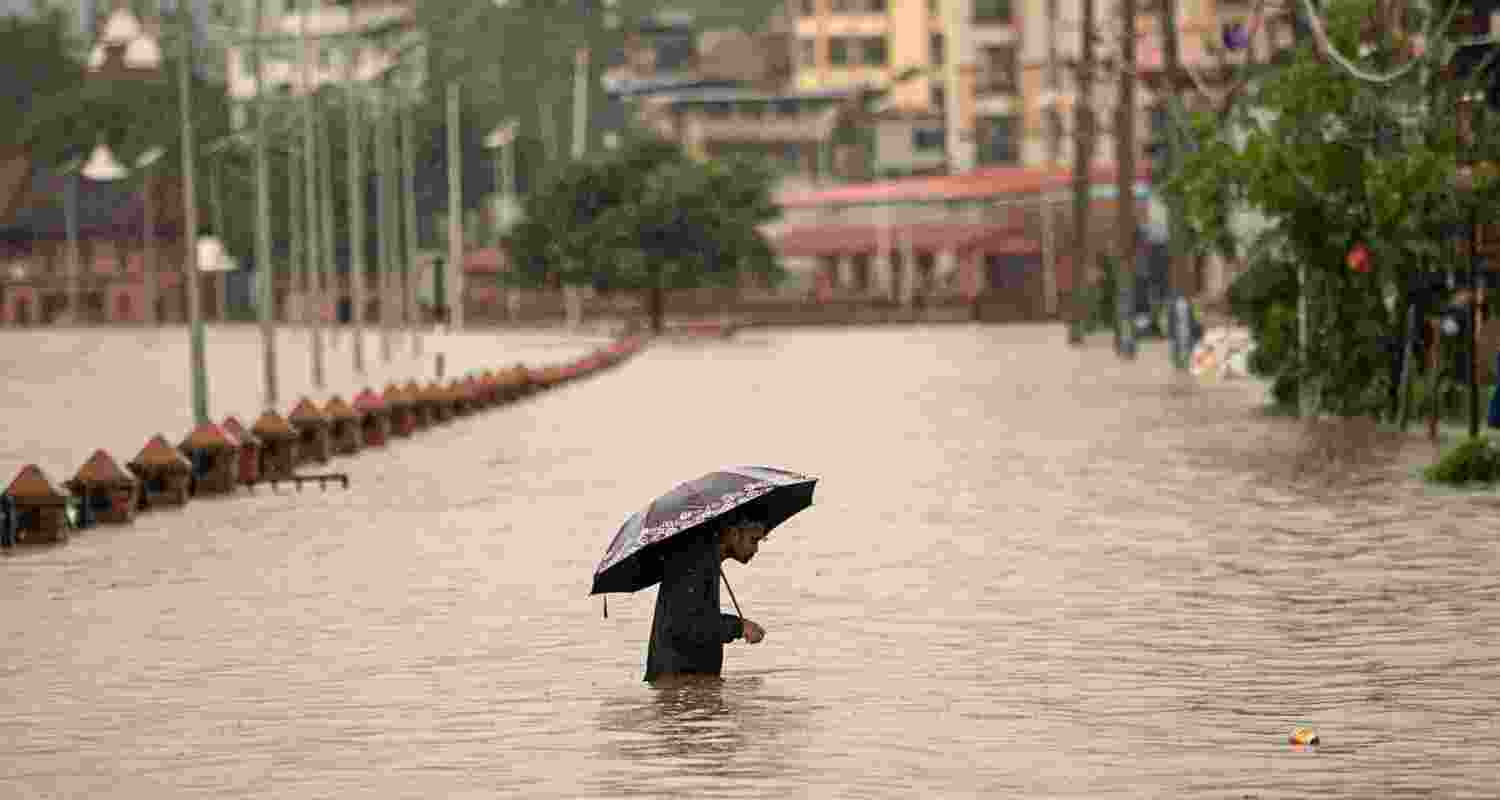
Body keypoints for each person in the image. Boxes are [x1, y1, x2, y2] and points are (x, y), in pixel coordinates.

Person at [643, 510, 769, 683]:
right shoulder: (695, 562)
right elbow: (685, 627)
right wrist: (739, 627)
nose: (755, 549)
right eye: (753, 540)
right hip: (678, 683)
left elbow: (698, 620)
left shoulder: (705, 559)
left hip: (690, 684)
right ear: (733, 534)